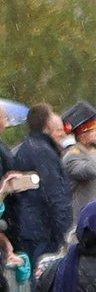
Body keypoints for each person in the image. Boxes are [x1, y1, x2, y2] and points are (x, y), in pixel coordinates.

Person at [9, 105, 72, 263]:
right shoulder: (43, 152)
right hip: (42, 230)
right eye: (58, 130)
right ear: (48, 125)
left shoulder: (29, 147)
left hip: (30, 227)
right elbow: (54, 193)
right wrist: (64, 229)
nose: (62, 134)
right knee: (42, 278)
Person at [61, 103, 96, 220]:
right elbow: (92, 170)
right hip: (88, 218)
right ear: (83, 135)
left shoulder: (92, 155)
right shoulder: (72, 156)